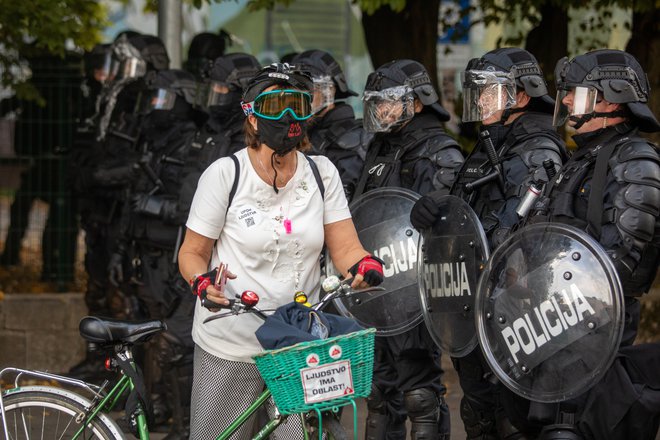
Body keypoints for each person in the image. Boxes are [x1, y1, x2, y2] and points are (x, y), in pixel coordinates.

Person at [178, 63, 385, 440]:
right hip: (231, 340)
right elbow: (191, 252)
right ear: (252, 117)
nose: (289, 117)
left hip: (298, 345)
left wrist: (363, 264)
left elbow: (346, 246)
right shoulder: (225, 175)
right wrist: (201, 281)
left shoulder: (322, 173)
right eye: (276, 107)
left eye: (298, 105)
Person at [410, 48, 567, 440]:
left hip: (517, 310)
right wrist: (435, 214)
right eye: (476, 93)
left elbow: (528, 237)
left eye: (488, 92)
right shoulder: (487, 147)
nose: (479, 102)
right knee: (479, 415)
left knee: (511, 419)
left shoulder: (538, 151)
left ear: (521, 96)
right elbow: (467, 216)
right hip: (475, 307)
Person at [526, 49, 659, 439]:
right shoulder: (578, 160)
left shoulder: (635, 161)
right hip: (548, 322)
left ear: (611, 99)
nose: (566, 100)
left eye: (577, 93)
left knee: (575, 426)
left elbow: (617, 265)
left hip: (591, 328)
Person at [358, 59, 464, 440]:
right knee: (379, 394)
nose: (380, 111)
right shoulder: (379, 149)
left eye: (387, 102)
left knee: (421, 394)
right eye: (377, 103)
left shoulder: (440, 151)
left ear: (416, 102)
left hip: (416, 293)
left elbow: (452, 230)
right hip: (376, 289)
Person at [292, 49, 370, 202]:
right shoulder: (295, 133)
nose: (300, 99)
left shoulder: (354, 141)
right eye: (294, 92)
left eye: (308, 91)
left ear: (330, 90)